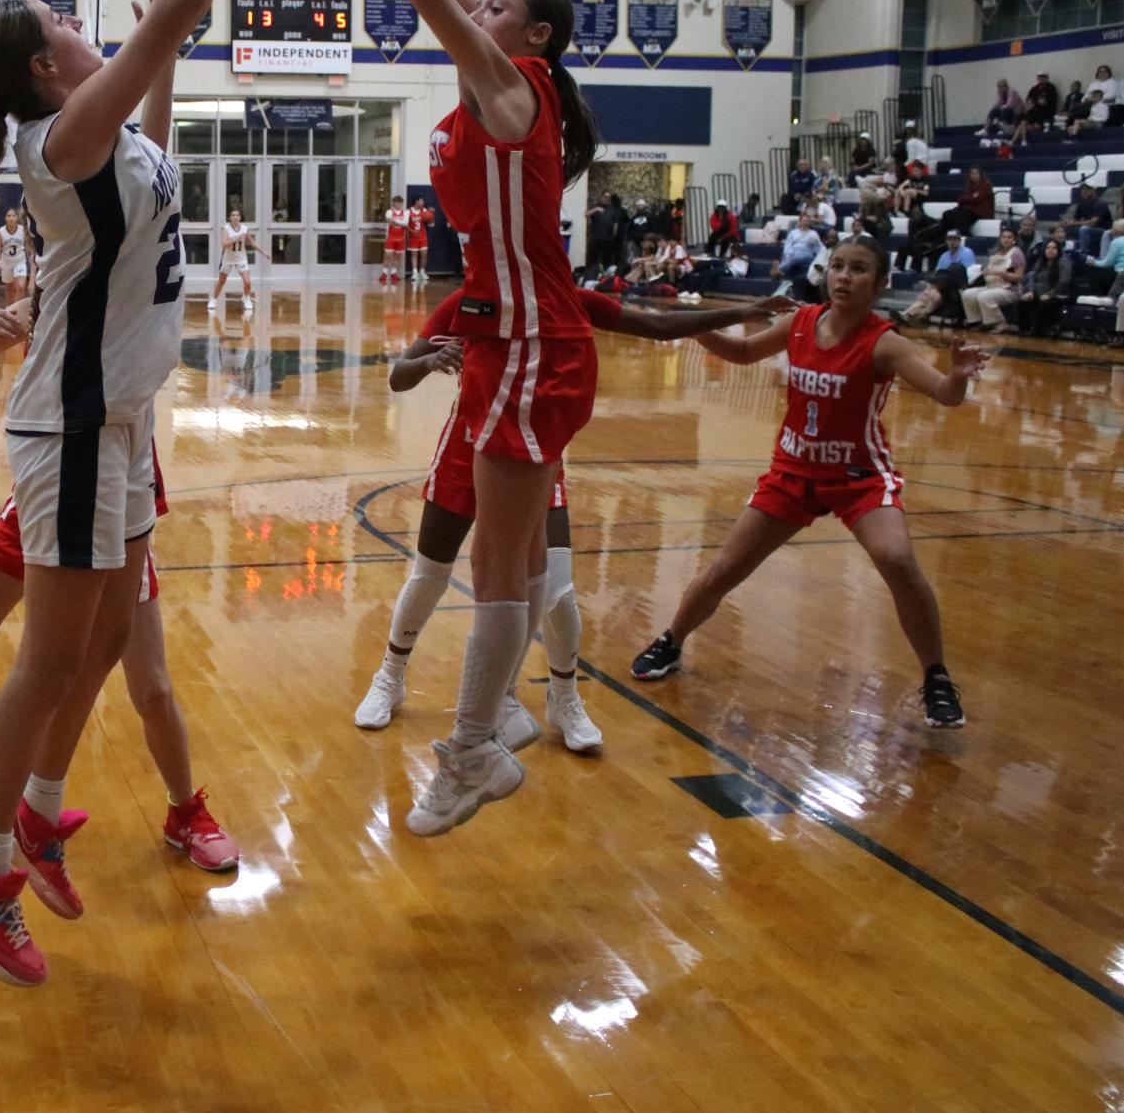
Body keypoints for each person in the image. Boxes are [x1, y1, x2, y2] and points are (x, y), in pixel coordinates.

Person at [0, 0, 308, 986]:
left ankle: (37, 811)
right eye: (67, 21)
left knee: (100, 646)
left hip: (126, 424)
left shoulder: (118, 133)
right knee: (52, 657)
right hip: (78, 427)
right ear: (48, 67)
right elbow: (182, 2)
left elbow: (176, 24)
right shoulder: (67, 141)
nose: (92, 26)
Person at [306, 0, 603, 837]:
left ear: (534, 34)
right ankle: (509, 715)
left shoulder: (513, 85)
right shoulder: (509, 77)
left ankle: (474, 744)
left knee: (498, 564)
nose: (474, 11)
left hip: (531, 345)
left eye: (494, 7)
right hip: (508, 342)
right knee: (515, 561)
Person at [0, 300, 240, 873]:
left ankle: (185, 812)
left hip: (113, 506)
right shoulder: (48, 302)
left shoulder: (133, 300)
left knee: (149, 686)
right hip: (40, 495)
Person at [356, 286, 801, 744]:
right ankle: (390, 676)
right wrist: (431, 361)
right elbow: (399, 377)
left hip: (536, 454)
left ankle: (563, 697)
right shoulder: (468, 300)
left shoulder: (566, 298)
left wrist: (741, 308)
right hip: (466, 446)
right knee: (430, 574)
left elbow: (654, 325)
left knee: (558, 591)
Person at [631, 235, 988, 730]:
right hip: (793, 471)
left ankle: (937, 677)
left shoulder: (887, 343)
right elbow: (740, 352)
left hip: (858, 476)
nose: (843, 276)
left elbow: (947, 396)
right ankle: (671, 640)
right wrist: (696, 327)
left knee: (898, 559)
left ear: (880, 283)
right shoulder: (800, 322)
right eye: (837, 266)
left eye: (858, 269)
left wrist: (961, 375)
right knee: (726, 568)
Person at [900, 229, 977, 325]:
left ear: (960, 240)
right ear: (946, 241)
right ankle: (906, 314)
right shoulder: (944, 256)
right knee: (927, 295)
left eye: (955, 239)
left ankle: (918, 315)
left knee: (935, 295)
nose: (952, 242)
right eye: (949, 239)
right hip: (941, 286)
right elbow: (937, 274)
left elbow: (967, 274)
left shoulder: (967, 253)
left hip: (956, 288)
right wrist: (931, 286)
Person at [958, 225, 1025, 331]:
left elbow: (1019, 277)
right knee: (967, 294)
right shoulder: (996, 252)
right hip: (992, 286)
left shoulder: (1017, 254)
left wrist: (1003, 274)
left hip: (1010, 289)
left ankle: (1000, 323)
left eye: (1009, 237)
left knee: (984, 296)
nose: (1006, 240)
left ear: (1014, 239)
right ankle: (977, 321)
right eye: (1003, 237)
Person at [1015, 237, 1074, 337]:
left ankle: (1038, 330)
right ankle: (1024, 329)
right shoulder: (1041, 261)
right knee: (1023, 302)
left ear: (1058, 250)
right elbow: (1033, 278)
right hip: (1040, 293)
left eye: (1054, 248)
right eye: (1048, 248)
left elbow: (1064, 281)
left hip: (1059, 295)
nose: (1050, 250)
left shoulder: (1063, 262)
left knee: (1044, 305)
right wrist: (1031, 291)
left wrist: (1050, 294)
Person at [927, 166, 996, 243]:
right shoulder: (970, 187)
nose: (974, 176)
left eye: (976, 173)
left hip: (981, 211)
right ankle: (944, 239)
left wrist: (966, 199)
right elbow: (963, 200)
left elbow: (976, 199)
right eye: (972, 174)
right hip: (970, 209)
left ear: (980, 175)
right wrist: (967, 199)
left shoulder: (986, 185)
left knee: (961, 215)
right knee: (947, 214)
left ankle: (965, 236)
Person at [212, 206, 261, 308]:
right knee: (221, 281)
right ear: (230, 217)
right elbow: (224, 244)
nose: (235, 217)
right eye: (233, 215)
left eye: (237, 215)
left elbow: (251, 242)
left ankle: (246, 298)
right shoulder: (226, 229)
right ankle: (213, 299)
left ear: (240, 217)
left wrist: (264, 253)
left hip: (241, 258)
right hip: (228, 258)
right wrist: (236, 239)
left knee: (247, 281)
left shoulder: (244, 229)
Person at [1010, 72, 1060, 147]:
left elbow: (1053, 100)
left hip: (1045, 112)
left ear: (1047, 78)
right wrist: (1032, 104)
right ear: (1038, 78)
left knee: (1023, 124)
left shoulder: (1051, 87)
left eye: (1043, 77)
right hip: (1034, 112)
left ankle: (1015, 141)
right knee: (1022, 122)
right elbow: (1028, 99)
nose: (1041, 79)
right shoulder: (1034, 89)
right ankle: (1019, 140)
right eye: (1040, 77)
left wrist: (1044, 102)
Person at [776, 213, 823, 286]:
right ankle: (782, 269)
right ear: (800, 222)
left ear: (809, 222)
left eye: (807, 221)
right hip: (794, 253)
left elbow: (820, 248)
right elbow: (787, 246)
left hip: (807, 254)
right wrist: (788, 254)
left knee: (795, 258)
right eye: (804, 221)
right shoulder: (793, 233)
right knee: (791, 257)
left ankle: (780, 269)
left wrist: (814, 244)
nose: (805, 223)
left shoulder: (813, 234)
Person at [1068, 185, 1113, 258]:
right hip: (1090, 229)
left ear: (1093, 190)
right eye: (1082, 189)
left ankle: (1084, 252)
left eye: (1087, 189)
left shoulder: (1101, 203)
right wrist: (1068, 223)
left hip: (1103, 230)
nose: (1084, 191)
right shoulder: (1082, 204)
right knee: (1067, 228)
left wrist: (1074, 223)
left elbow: (1093, 223)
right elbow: (1074, 219)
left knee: (1084, 229)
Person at [0, 207, 29, 302]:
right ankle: (9, 311)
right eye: (9, 216)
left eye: (14, 215)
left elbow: (29, 246)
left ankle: (18, 310)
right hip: (6, 262)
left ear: (17, 218)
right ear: (5, 218)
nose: (11, 218)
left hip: (20, 261)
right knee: (10, 290)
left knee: (21, 287)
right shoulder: (0, 232)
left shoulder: (23, 230)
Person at [407, 195, 433, 282]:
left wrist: (432, 215)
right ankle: (414, 272)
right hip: (413, 237)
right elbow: (405, 225)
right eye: (421, 201)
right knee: (414, 254)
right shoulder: (409, 211)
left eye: (423, 201)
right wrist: (412, 231)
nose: (423, 203)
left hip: (423, 236)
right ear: (416, 201)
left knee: (424, 253)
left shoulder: (424, 211)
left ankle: (422, 271)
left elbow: (431, 224)